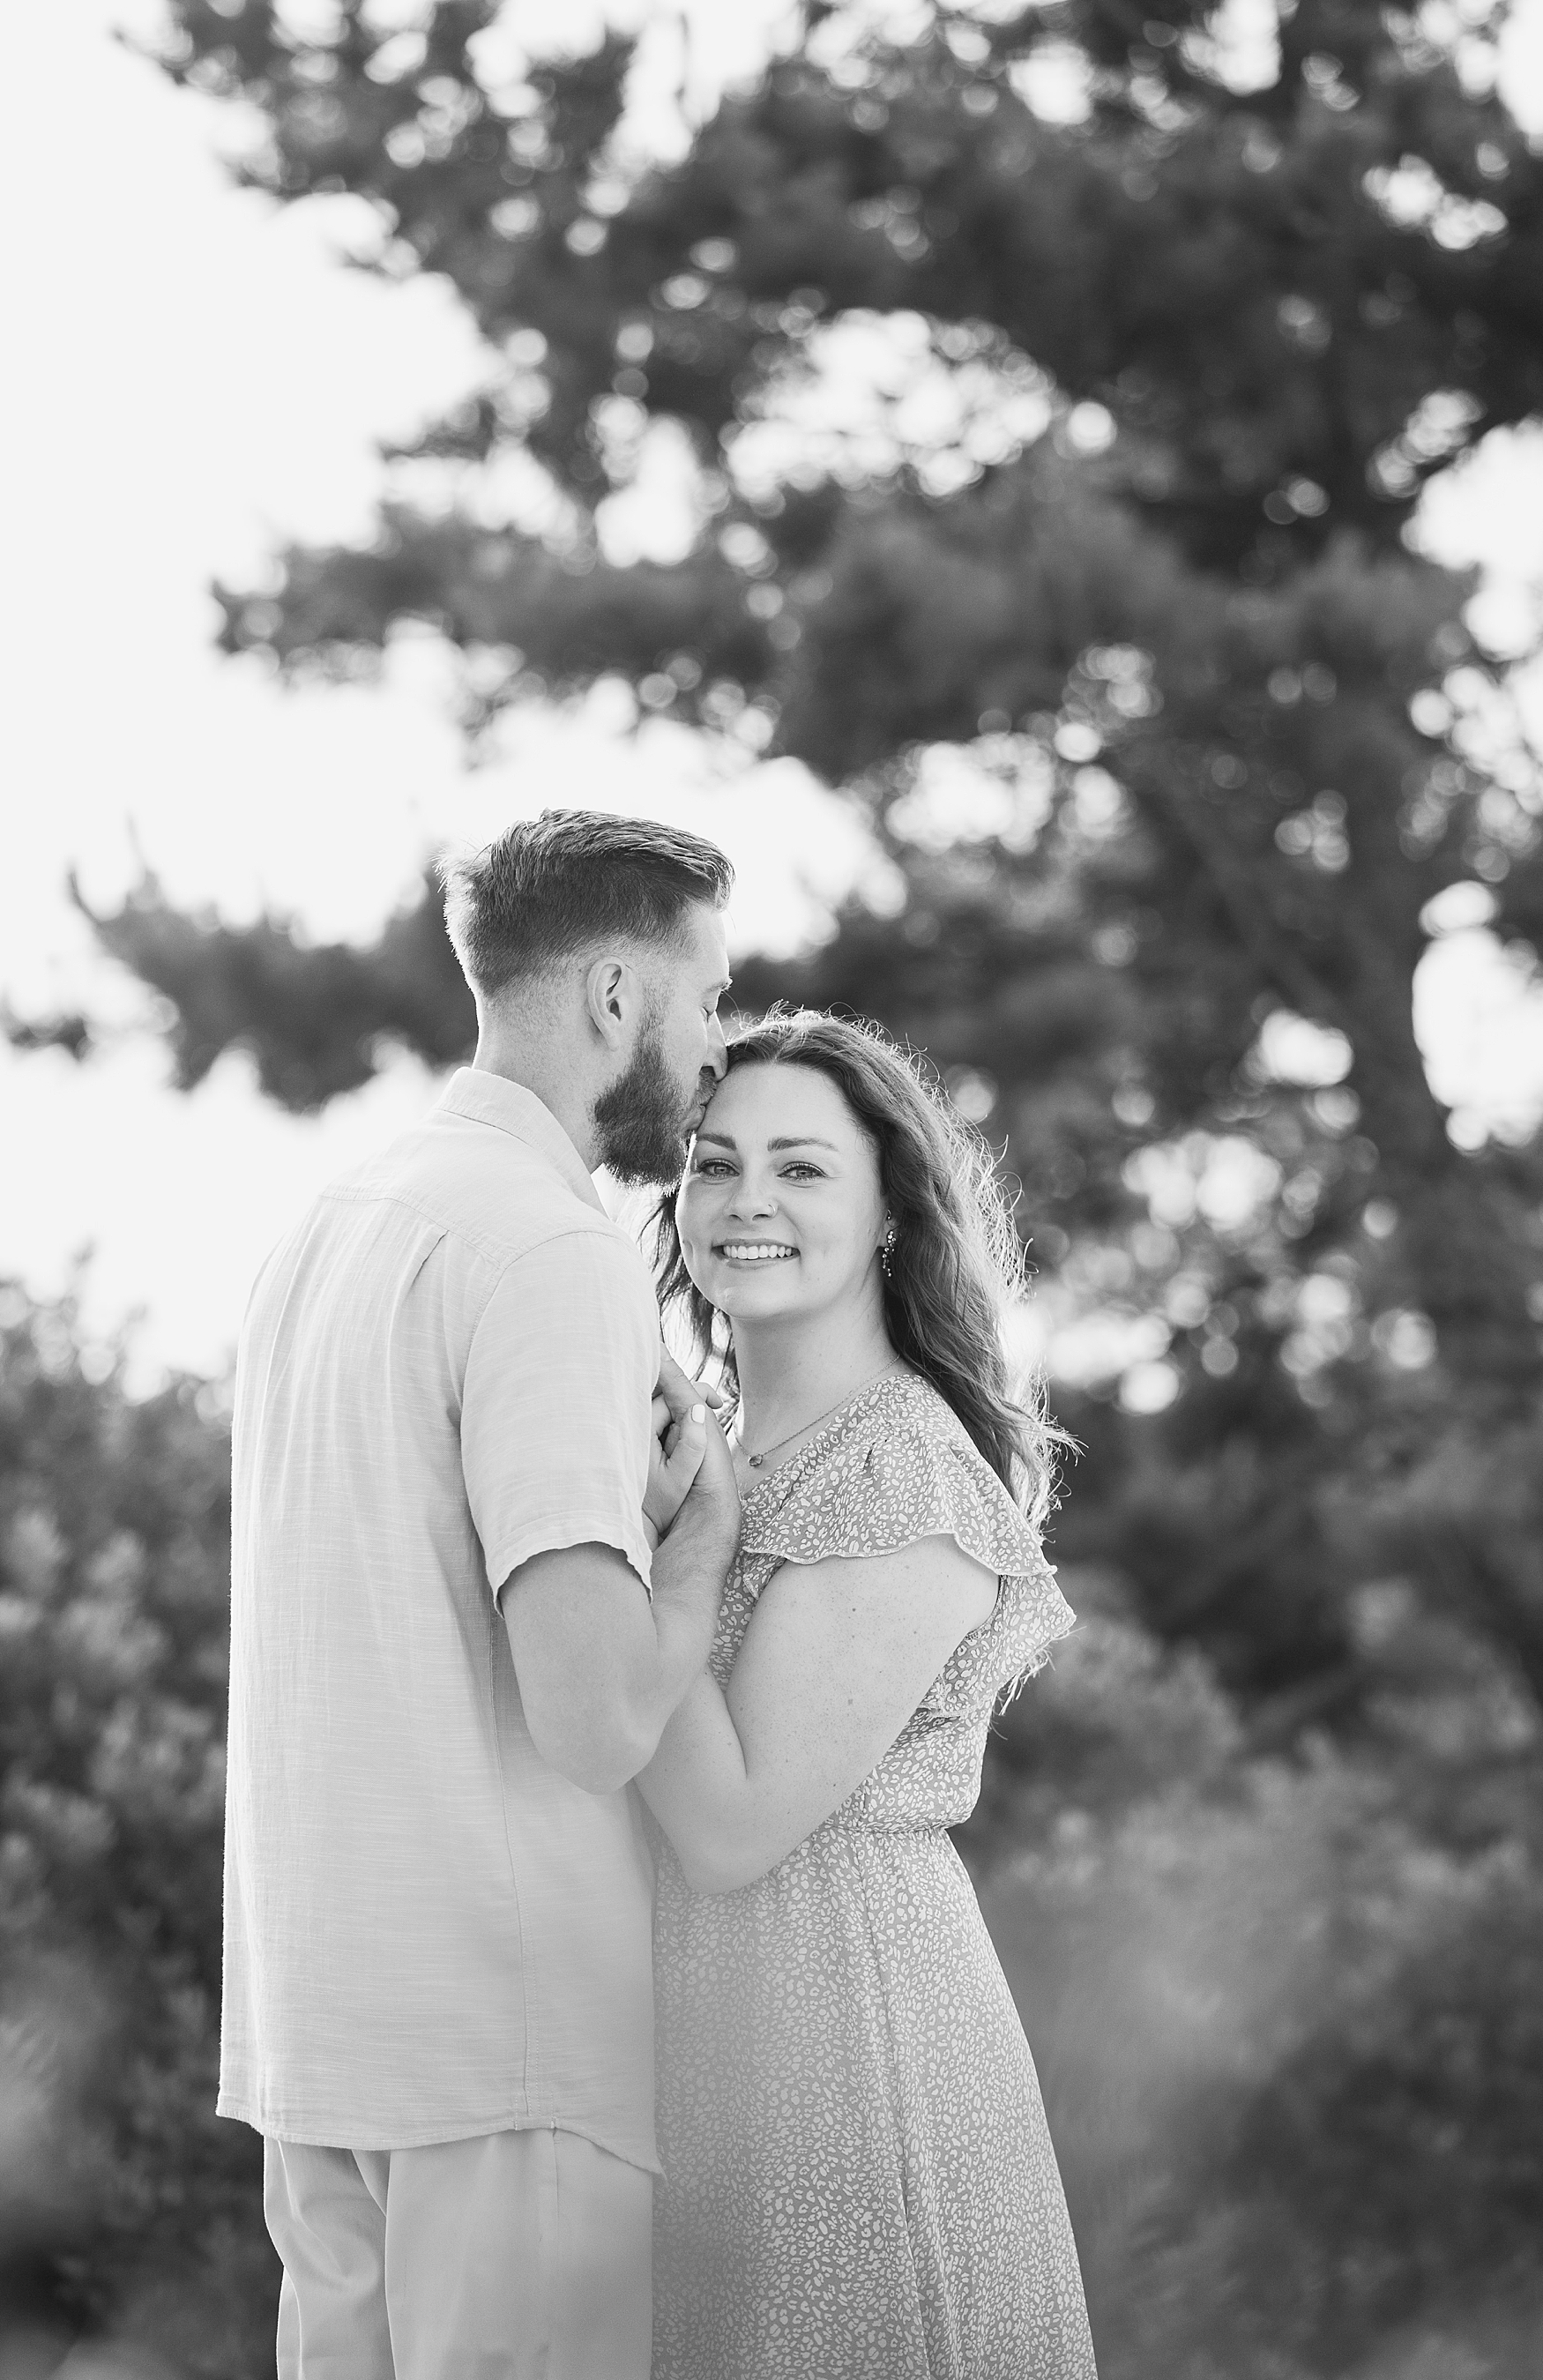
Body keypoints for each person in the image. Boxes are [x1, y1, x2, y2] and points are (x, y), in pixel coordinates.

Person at [220, 810, 741, 2380]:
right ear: (610, 995)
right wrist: (701, 1544)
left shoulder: (327, 1229)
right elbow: (589, 1723)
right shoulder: (548, 1251)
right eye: (704, 998)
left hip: (323, 2026)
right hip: (506, 2047)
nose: (713, 1048)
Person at [639, 1009, 1098, 2380]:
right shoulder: (711, 1447)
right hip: (695, 2041)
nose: (747, 1202)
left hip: (838, 2039)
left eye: (802, 1168)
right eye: (715, 1165)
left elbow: (728, 1828)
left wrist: (681, 1550)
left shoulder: (899, 1470)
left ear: (892, 1208)